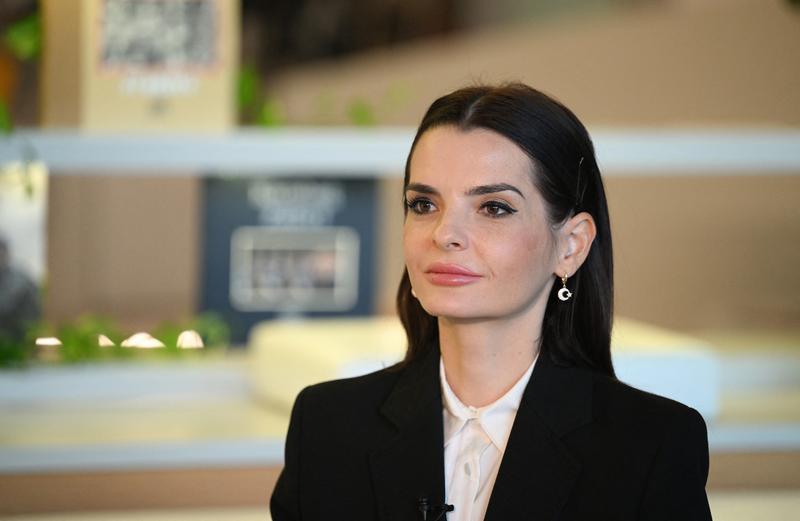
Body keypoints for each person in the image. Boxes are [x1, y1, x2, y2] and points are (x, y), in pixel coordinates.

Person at [270, 83, 711, 520]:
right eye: (423, 204)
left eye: (493, 207)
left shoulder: (652, 445)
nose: (445, 234)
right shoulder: (326, 426)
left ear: (571, 245)